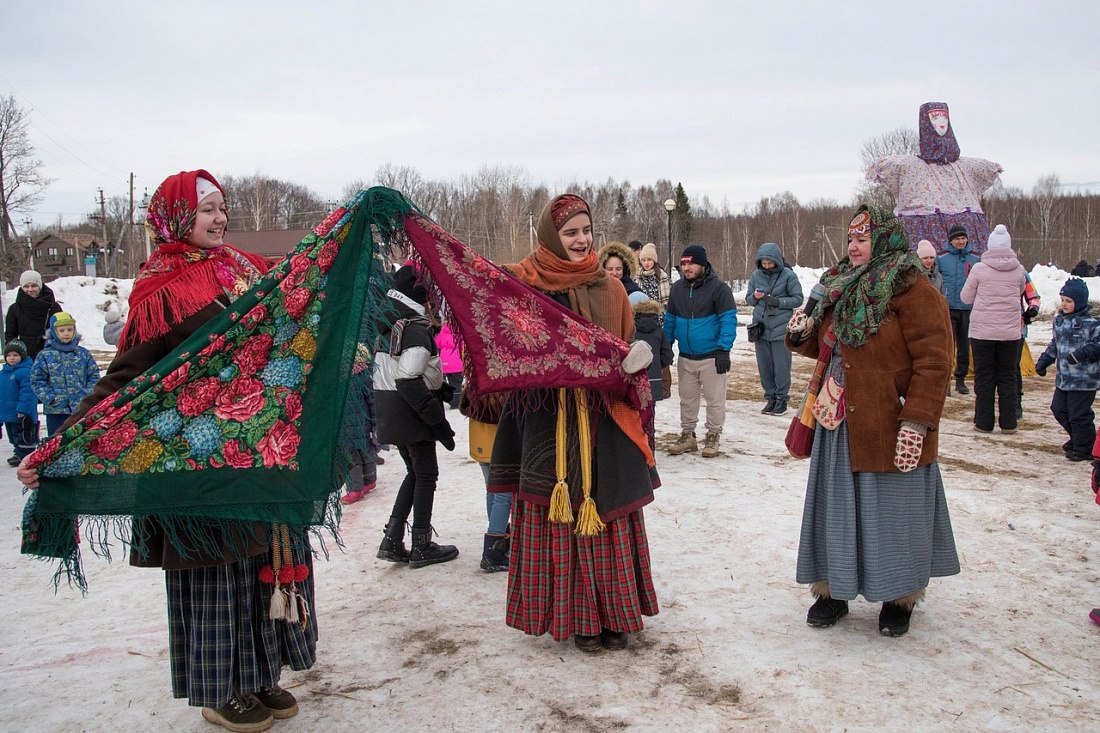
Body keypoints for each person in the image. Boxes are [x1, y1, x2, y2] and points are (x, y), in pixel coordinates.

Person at [19, 170, 310, 732]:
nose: (219, 218)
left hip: (256, 458)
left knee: (260, 566)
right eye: (207, 210)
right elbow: (126, 378)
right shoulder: (160, 289)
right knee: (217, 577)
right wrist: (60, 443)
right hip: (196, 466)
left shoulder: (244, 268)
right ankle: (220, 690)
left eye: (222, 207)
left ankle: (260, 674)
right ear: (177, 218)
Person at [489, 193, 658, 652]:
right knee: (559, 517)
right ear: (551, 236)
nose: (581, 240)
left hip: (603, 419)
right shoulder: (526, 285)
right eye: (570, 233)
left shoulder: (611, 288)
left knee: (606, 514)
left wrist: (634, 359)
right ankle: (580, 620)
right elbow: (504, 339)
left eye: (586, 230)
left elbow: (625, 344)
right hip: (547, 421)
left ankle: (615, 615)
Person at [786, 204, 959, 638]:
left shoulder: (914, 289)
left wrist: (916, 420)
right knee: (836, 508)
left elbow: (936, 362)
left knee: (894, 511)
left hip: (892, 420)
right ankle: (833, 590)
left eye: (862, 239)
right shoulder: (840, 283)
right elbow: (829, 346)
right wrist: (802, 333)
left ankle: (899, 596)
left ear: (883, 239)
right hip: (839, 419)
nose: (853, 246)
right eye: (850, 238)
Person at [373, 264, 460, 568]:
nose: (435, 307)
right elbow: (408, 380)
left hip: (392, 410)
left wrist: (440, 390)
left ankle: (392, 538)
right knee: (426, 475)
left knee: (414, 473)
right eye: (432, 301)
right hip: (411, 413)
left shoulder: (391, 324)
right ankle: (421, 544)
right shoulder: (414, 329)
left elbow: (402, 373)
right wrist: (438, 422)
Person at [664, 244, 737, 458]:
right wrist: (665, 346)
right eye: (683, 264)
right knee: (687, 399)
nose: (686, 268)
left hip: (712, 356)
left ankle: (713, 434)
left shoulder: (719, 289)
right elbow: (670, 321)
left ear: (702, 264)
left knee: (715, 400)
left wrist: (724, 349)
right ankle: (688, 434)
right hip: (686, 356)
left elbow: (728, 320)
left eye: (691, 264)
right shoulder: (677, 289)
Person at [960, 224, 1028, 433]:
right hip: (1010, 332)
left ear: (989, 246)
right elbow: (1021, 291)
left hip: (982, 332)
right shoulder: (1019, 270)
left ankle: (984, 422)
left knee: (984, 376)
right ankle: (1009, 423)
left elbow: (965, 298)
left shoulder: (979, 269)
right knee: (1008, 375)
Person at [1035, 278, 1100, 462]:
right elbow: (1054, 345)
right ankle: (1081, 439)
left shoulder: (1091, 324)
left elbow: (1098, 345)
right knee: (1059, 409)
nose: (1064, 304)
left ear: (1079, 302)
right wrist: (1044, 361)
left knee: (1078, 414)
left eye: (1069, 301)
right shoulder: (1059, 322)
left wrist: (1081, 354)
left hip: (1084, 380)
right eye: (1062, 300)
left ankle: (1084, 447)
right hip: (1064, 379)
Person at [745, 242, 803, 416]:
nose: (767, 266)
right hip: (760, 328)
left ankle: (781, 399)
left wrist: (778, 302)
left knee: (781, 367)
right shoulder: (756, 275)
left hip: (781, 328)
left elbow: (798, 299)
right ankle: (770, 398)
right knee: (765, 367)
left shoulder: (788, 276)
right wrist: (755, 297)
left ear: (777, 261)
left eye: (770, 263)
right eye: (764, 263)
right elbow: (748, 299)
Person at [29, 312, 100, 437]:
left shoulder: (83, 354)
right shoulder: (45, 355)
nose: (66, 333)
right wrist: (50, 398)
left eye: (69, 330)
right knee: (56, 440)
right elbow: (37, 380)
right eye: (61, 330)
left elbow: (94, 375)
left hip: (81, 408)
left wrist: (87, 395)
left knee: (81, 439)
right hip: (56, 410)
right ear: (54, 332)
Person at [938, 225, 979, 395]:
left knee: (964, 346)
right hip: (948, 308)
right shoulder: (942, 259)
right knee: (947, 346)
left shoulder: (976, 259)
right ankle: (945, 381)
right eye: (957, 239)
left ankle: (960, 379)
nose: (960, 241)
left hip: (968, 309)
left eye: (963, 238)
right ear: (951, 241)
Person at [632, 296, 674, 442]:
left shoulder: (632, 330)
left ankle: (636, 443)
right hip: (654, 381)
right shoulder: (658, 331)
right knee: (650, 413)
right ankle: (649, 443)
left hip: (635, 380)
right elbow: (667, 355)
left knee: (634, 413)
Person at [5, 270, 63, 359]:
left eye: (34, 286)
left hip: (50, 353)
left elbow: (61, 330)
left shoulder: (53, 306)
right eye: (26, 286)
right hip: (25, 355)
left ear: (40, 285)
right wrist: (13, 354)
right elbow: (10, 335)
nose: (30, 289)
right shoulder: (14, 309)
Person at [2, 339, 38, 466]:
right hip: (9, 413)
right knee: (13, 436)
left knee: (23, 435)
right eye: (9, 355)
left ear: (22, 356)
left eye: (15, 355)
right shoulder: (4, 373)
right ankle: (18, 452)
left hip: (22, 413)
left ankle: (25, 455)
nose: (12, 358)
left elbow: (27, 393)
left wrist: (23, 409)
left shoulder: (25, 372)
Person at [435, 322, 463, 410]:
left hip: (444, 361)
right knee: (457, 383)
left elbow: (437, 343)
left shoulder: (443, 330)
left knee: (450, 382)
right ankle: (456, 402)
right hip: (456, 362)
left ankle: (450, 399)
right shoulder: (460, 331)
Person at [636, 242, 671, 307]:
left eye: (649, 260)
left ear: (654, 261)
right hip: (640, 311)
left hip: (658, 311)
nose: (646, 263)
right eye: (643, 260)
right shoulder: (638, 276)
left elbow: (666, 302)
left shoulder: (662, 276)